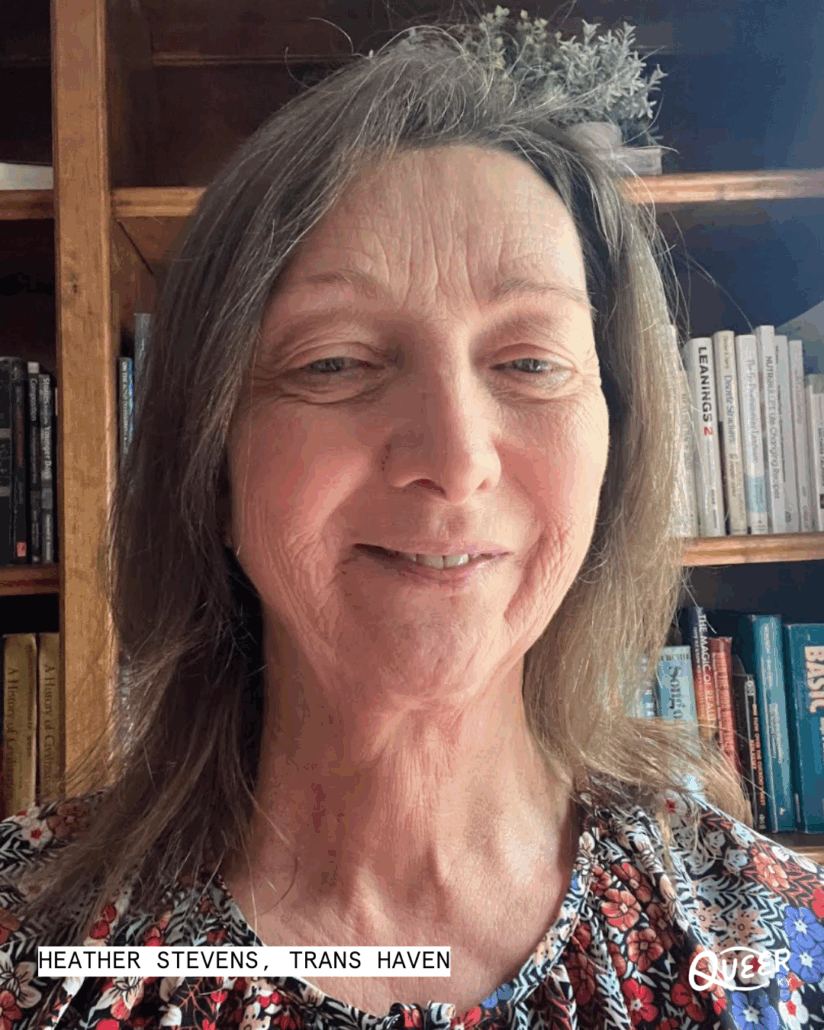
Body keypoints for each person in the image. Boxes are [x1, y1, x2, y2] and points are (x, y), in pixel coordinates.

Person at [1, 15, 822, 1030]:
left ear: (616, 444)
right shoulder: (25, 948)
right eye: (335, 361)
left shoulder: (780, 949)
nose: (454, 457)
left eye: (530, 361)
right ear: (210, 460)